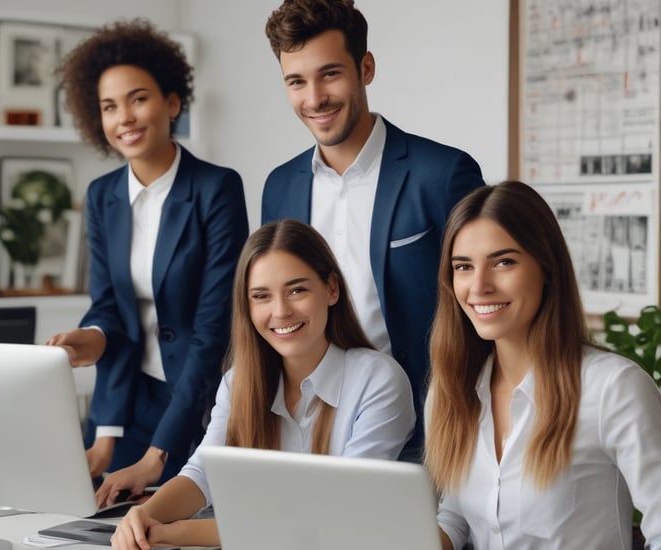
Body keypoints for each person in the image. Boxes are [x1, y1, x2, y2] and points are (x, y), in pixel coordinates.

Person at [261, 0, 485, 461]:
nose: (314, 98)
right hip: (314, 431)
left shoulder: (443, 174)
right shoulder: (279, 188)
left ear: (366, 67)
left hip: (432, 429)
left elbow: (484, 304)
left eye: (330, 74)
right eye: (296, 81)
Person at [110, 219, 416, 549]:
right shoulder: (239, 381)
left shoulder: (379, 381)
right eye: (261, 296)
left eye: (297, 290)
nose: (281, 311)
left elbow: (334, 512)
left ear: (331, 289)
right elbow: (203, 473)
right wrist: (143, 516)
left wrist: (174, 533)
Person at [44, 19, 249, 505]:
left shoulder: (216, 190)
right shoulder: (101, 196)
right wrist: (91, 339)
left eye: (138, 98)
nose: (125, 118)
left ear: (172, 103)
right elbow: (111, 306)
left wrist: (158, 454)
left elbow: (212, 330)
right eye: (109, 107)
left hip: (193, 403)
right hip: (121, 405)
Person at [424, 181, 661, 549]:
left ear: (546, 267)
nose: (479, 285)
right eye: (464, 267)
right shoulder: (451, 389)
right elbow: (455, 517)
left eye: (504, 262)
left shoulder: (614, 389)